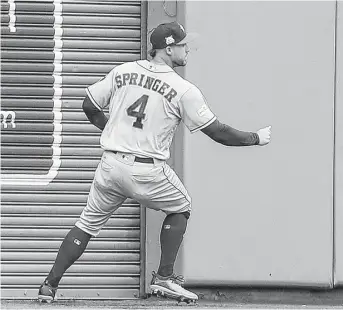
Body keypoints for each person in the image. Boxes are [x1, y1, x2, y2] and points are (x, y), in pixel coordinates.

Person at [38, 21, 272, 303]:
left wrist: (111, 129)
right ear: (168, 48)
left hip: (110, 165)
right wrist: (255, 138)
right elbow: (218, 132)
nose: (188, 49)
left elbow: (89, 105)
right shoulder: (183, 88)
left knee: (86, 224)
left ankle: (48, 286)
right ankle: (164, 278)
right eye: (183, 45)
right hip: (145, 170)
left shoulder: (123, 71)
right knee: (181, 206)